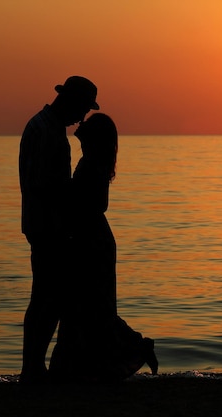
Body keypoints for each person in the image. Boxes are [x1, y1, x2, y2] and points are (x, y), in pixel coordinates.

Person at [49, 113, 158, 382]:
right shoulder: (93, 160)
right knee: (88, 306)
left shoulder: (92, 163)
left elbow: (98, 204)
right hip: (92, 238)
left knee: (92, 306)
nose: (80, 125)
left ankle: (137, 346)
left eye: (87, 125)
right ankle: (80, 368)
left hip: (91, 241)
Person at [19, 76, 99, 383]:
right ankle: (33, 367)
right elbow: (44, 184)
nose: (81, 119)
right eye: (82, 111)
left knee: (44, 295)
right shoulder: (48, 132)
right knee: (47, 297)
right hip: (47, 225)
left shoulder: (42, 126)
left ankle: (34, 366)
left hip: (41, 223)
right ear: (72, 103)